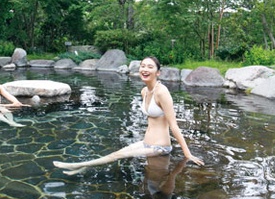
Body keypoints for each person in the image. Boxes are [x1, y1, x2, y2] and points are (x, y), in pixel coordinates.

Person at [53, 56, 204, 175]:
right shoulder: (144, 91)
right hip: (146, 142)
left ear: (158, 72)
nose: (145, 69)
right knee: (117, 152)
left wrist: (187, 154)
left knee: (116, 156)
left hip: (160, 147)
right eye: (142, 66)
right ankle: (83, 167)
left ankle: (78, 165)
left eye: (150, 67)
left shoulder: (162, 92)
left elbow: (174, 125)